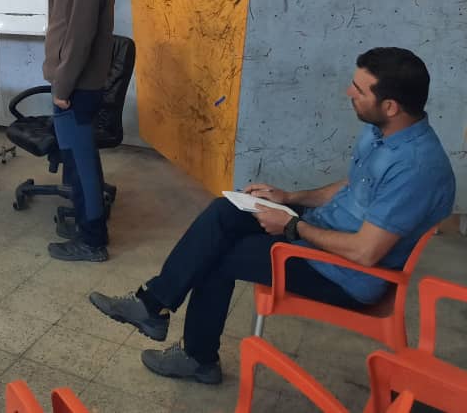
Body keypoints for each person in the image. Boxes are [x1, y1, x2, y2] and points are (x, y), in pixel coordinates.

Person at [88, 47, 455, 385]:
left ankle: (197, 358)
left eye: (359, 89)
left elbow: (365, 252)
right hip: (326, 230)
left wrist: (294, 226)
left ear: (390, 106)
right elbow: (354, 186)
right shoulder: (383, 132)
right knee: (228, 209)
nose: (348, 92)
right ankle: (151, 304)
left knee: (217, 255)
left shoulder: (416, 168)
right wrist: (290, 198)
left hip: (346, 274)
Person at [43, 0, 116, 263]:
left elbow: (78, 42)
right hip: (78, 87)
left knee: (81, 166)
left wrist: (62, 90)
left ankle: (92, 241)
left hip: (76, 91)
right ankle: (90, 230)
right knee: (81, 163)